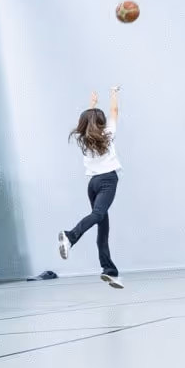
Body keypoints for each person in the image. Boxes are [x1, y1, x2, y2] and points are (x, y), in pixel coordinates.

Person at [57, 85, 124, 289]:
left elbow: (88, 122)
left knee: (102, 227)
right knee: (97, 215)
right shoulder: (108, 134)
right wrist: (114, 94)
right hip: (107, 181)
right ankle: (70, 236)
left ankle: (110, 271)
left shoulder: (83, 138)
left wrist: (91, 105)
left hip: (92, 184)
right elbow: (114, 112)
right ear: (101, 122)